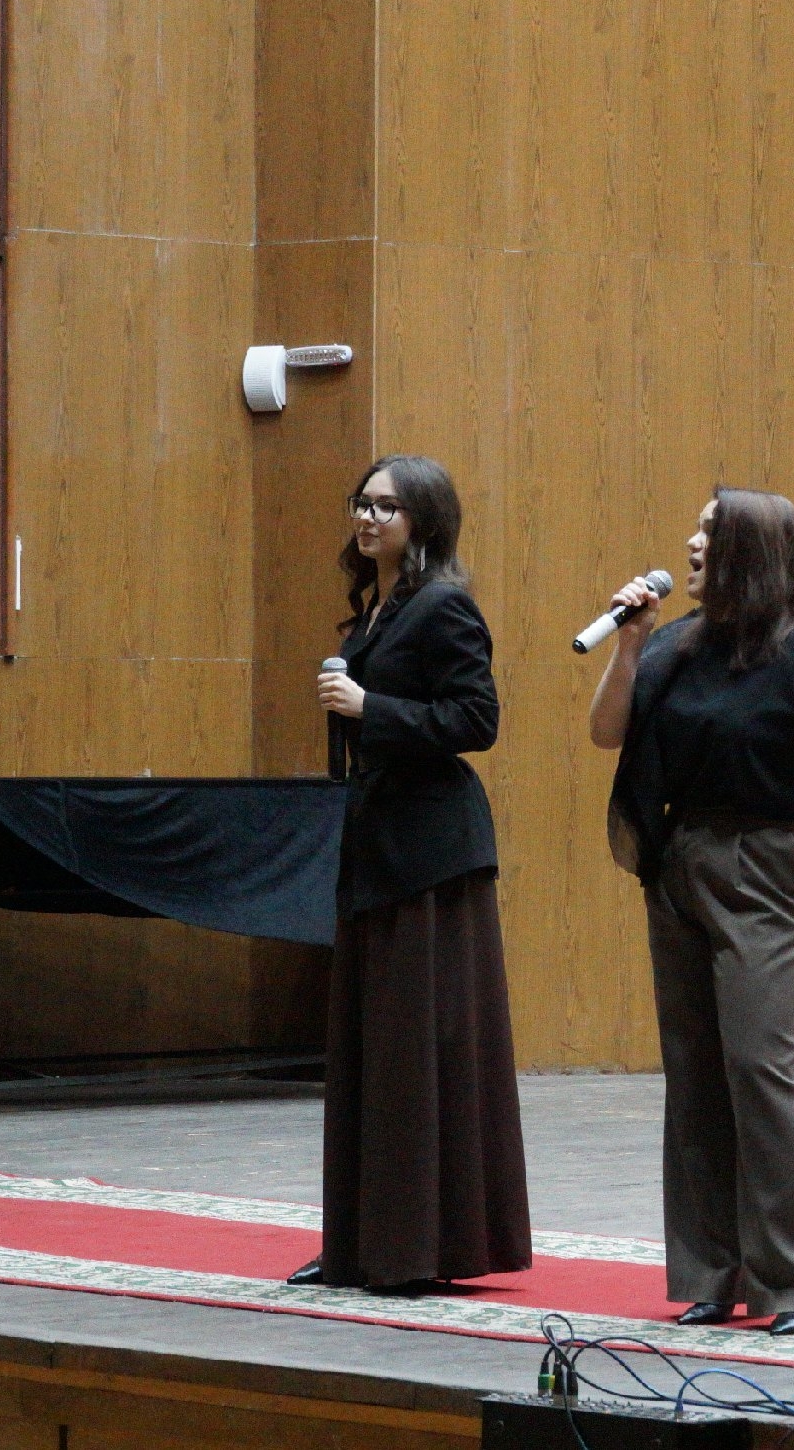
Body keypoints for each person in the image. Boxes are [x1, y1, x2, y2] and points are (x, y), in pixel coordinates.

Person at [586, 487, 794, 1336]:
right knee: (694, 1071)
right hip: (679, 860)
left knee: (761, 1069)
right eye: (695, 529)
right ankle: (712, 1273)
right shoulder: (676, 643)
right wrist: (629, 646)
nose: (692, 544)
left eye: (710, 531)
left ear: (751, 551)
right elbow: (607, 733)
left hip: (767, 867)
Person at [291, 455, 532, 1292]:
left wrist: (371, 708)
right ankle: (365, 1242)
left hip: (431, 853)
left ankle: (421, 1245)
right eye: (362, 502)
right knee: (372, 1048)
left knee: (415, 1049)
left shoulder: (443, 605)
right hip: (381, 842)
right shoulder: (375, 610)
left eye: (386, 507)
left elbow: (477, 719)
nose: (367, 518)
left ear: (423, 520)